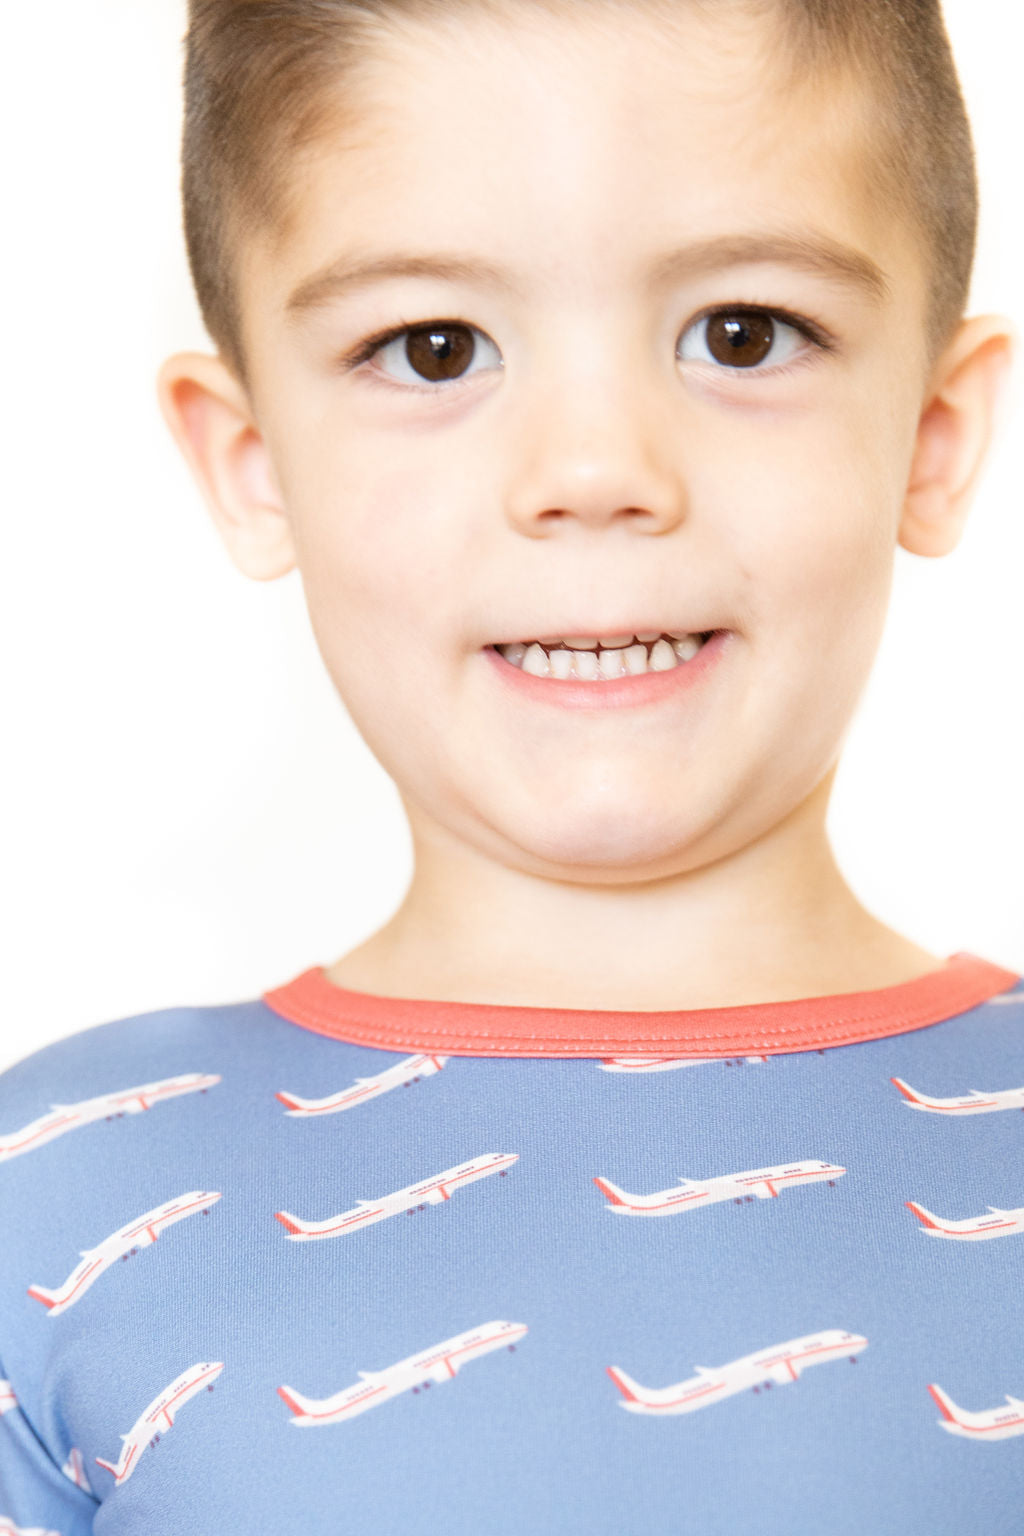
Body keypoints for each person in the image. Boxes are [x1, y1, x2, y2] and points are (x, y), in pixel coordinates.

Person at [1, 0, 1021, 1530]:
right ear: (252, 464)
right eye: (434, 349)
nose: (594, 471)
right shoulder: (51, 1197)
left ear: (935, 435)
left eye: (743, 334)